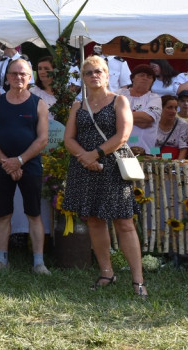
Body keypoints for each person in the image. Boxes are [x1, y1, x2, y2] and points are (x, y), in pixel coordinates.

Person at [61, 55, 145, 297]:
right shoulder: (77, 106)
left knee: (124, 222)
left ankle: (138, 280)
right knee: (95, 221)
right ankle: (106, 272)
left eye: (99, 71)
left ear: (108, 75)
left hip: (113, 167)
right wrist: (85, 158)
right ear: (83, 78)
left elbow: (123, 136)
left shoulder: (119, 101)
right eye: (89, 72)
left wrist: (95, 155)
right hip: (84, 167)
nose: (94, 75)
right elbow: (68, 139)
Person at [0, 58, 50, 274]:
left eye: (23, 74)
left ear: (30, 78)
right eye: (14, 73)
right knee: (3, 213)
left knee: (34, 213)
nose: (18, 77)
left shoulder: (38, 103)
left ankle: (39, 263)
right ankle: (1, 260)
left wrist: (19, 161)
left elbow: (43, 139)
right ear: (7, 77)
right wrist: (6, 162)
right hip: (2, 164)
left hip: (29, 165)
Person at [119, 64, 161, 154]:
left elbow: (148, 118)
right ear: (133, 78)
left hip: (146, 151)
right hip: (119, 149)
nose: (145, 78)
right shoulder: (119, 94)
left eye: (149, 77)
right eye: (141, 75)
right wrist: (139, 120)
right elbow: (109, 113)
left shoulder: (154, 98)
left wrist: (119, 116)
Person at [154, 94, 188, 159]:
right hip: (157, 159)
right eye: (169, 107)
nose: (173, 111)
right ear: (160, 108)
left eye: (175, 108)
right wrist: (155, 159)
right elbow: (151, 145)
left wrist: (178, 164)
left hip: (175, 160)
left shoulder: (182, 125)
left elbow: (183, 148)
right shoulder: (153, 123)